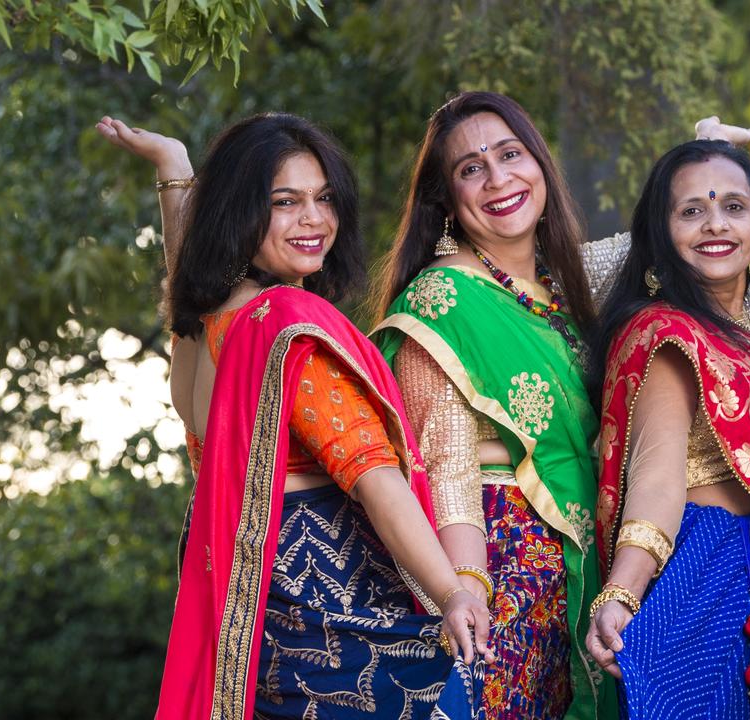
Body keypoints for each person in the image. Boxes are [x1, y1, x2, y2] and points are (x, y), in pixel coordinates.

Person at [98, 113, 492, 720]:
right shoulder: (287, 333)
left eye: (324, 198)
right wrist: (449, 591)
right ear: (238, 212)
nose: (315, 220)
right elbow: (375, 477)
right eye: (287, 203)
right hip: (346, 616)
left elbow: (187, 291)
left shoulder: (211, 332)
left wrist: (174, 171)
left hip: (266, 620)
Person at [372, 91, 614, 720]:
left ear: (540, 164)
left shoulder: (560, 289)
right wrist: (466, 591)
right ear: (446, 201)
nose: (499, 178)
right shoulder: (442, 300)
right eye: (471, 168)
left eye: (511, 154)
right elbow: (446, 463)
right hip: (507, 573)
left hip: (580, 566)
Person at [585, 139, 750, 719]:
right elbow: (657, 479)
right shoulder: (669, 334)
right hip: (701, 570)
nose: (715, 224)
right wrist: (622, 594)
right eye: (691, 211)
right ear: (662, 236)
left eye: (735, 207)